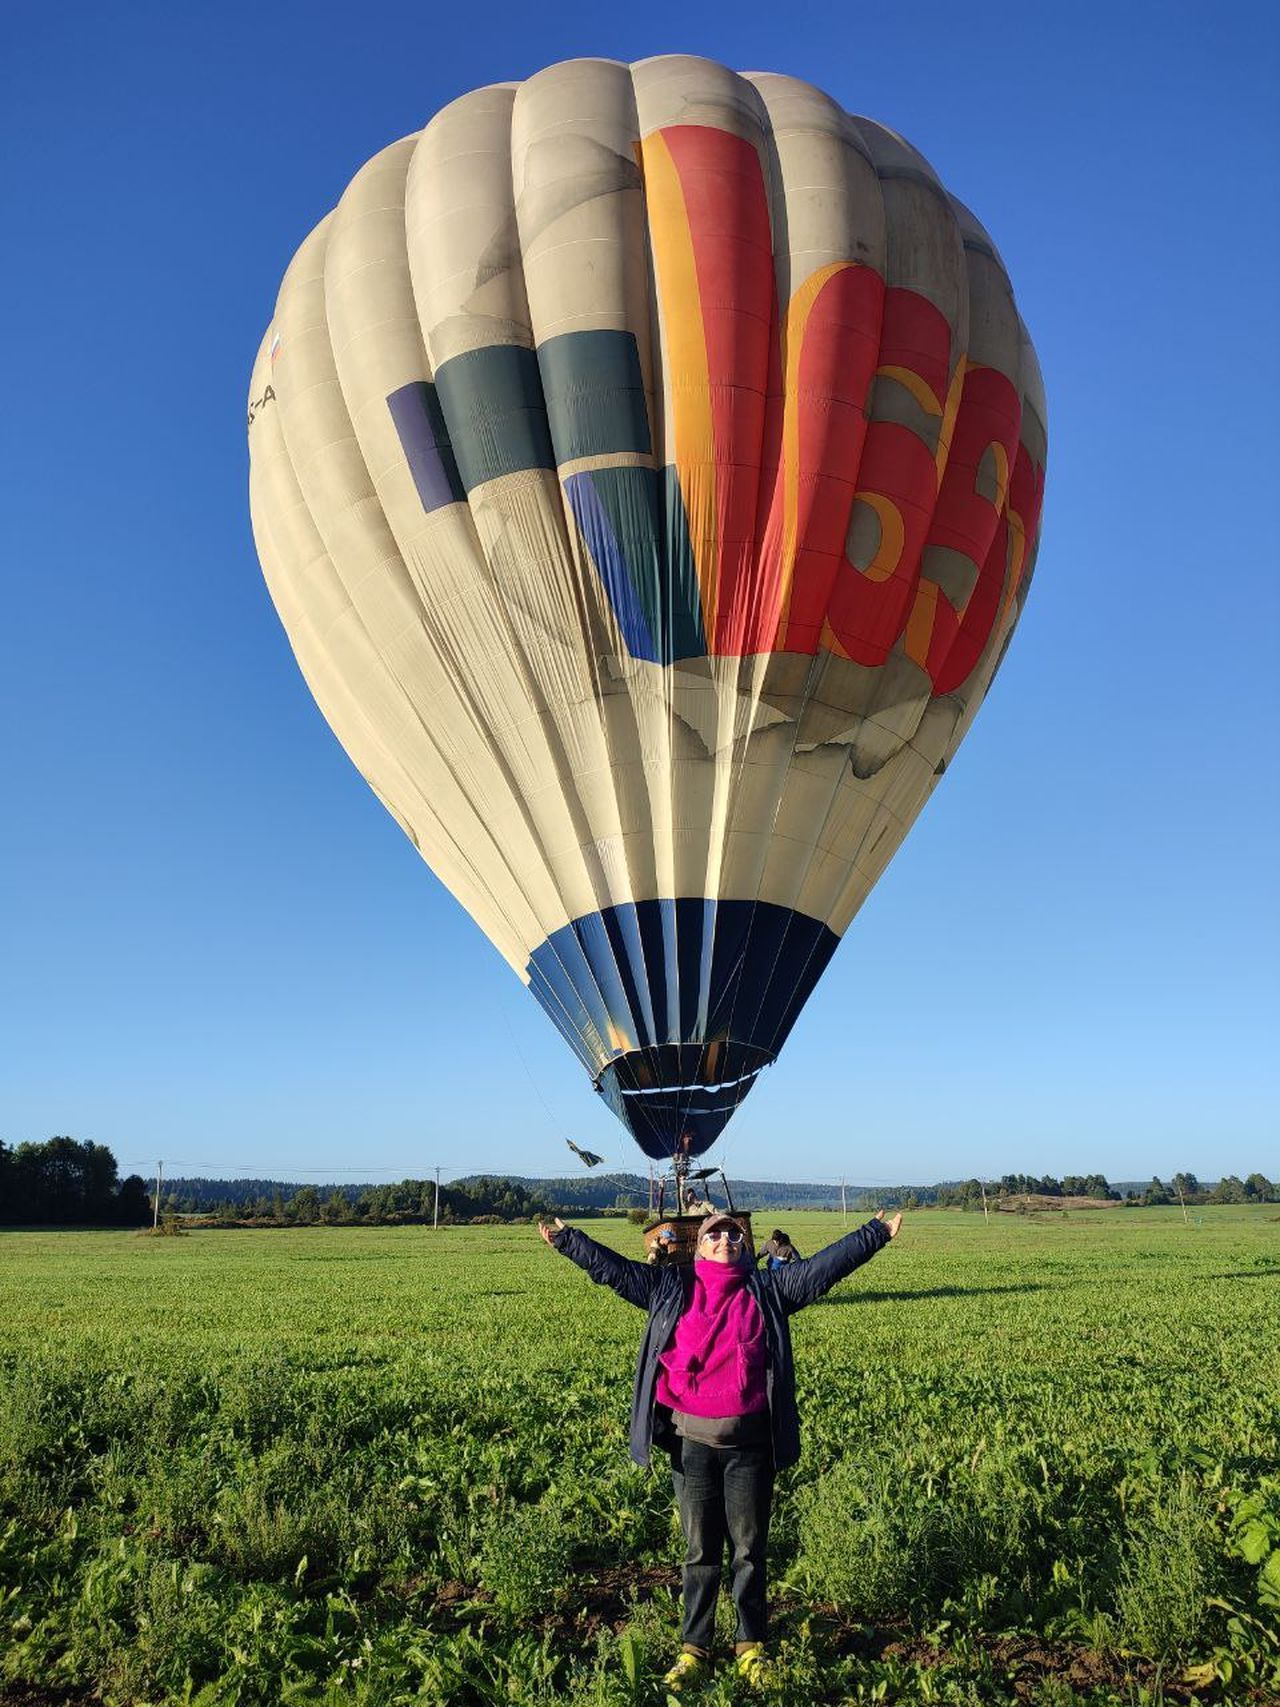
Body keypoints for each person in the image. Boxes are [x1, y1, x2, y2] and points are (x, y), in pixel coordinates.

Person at [539, 1204, 902, 1691]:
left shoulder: (768, 1290)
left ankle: (751, 1646)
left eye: (734, 1234)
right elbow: (616, 1272)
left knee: (750, 1551)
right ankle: (696, 1648)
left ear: (746, 1247)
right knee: (700, 1552)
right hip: (692, 1447)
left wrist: (873, 1234)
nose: (726, 1239)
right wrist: (570, 1241)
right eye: (715, 1234)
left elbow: (822, 1270)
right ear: (700, 1246)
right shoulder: (672, 1287)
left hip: (749, 1446)